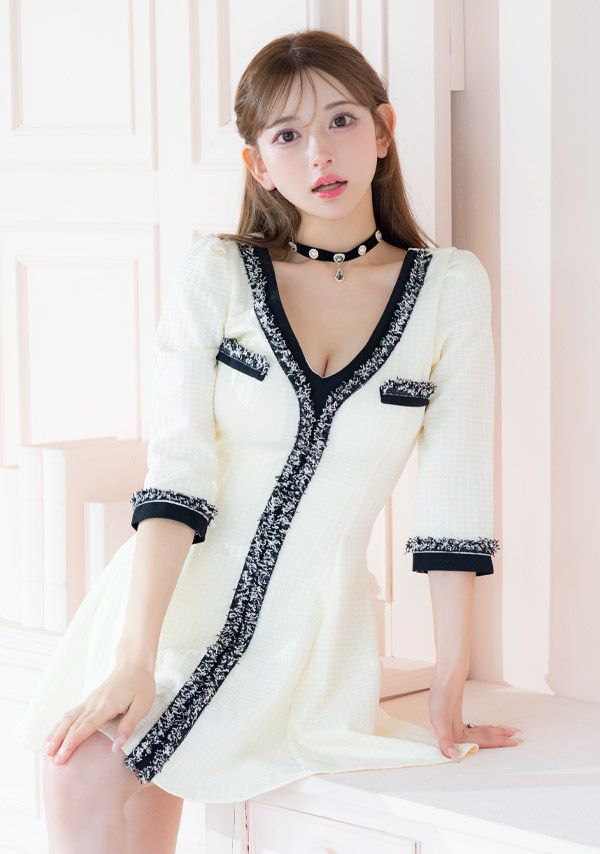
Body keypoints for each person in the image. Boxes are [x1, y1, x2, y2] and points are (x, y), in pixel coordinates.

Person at [13, 28, 521, 852]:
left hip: (307, 637)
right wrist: (135, 656)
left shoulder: (448, 288)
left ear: (383, 130)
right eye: (287, 134)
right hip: (161, 607)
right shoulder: (215, 274)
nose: (319, 152)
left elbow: (455, 499)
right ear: (258, 163)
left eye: (342, 120)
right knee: (83, 763)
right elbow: (177, 475)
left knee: (118, 762)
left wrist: (449, 685)